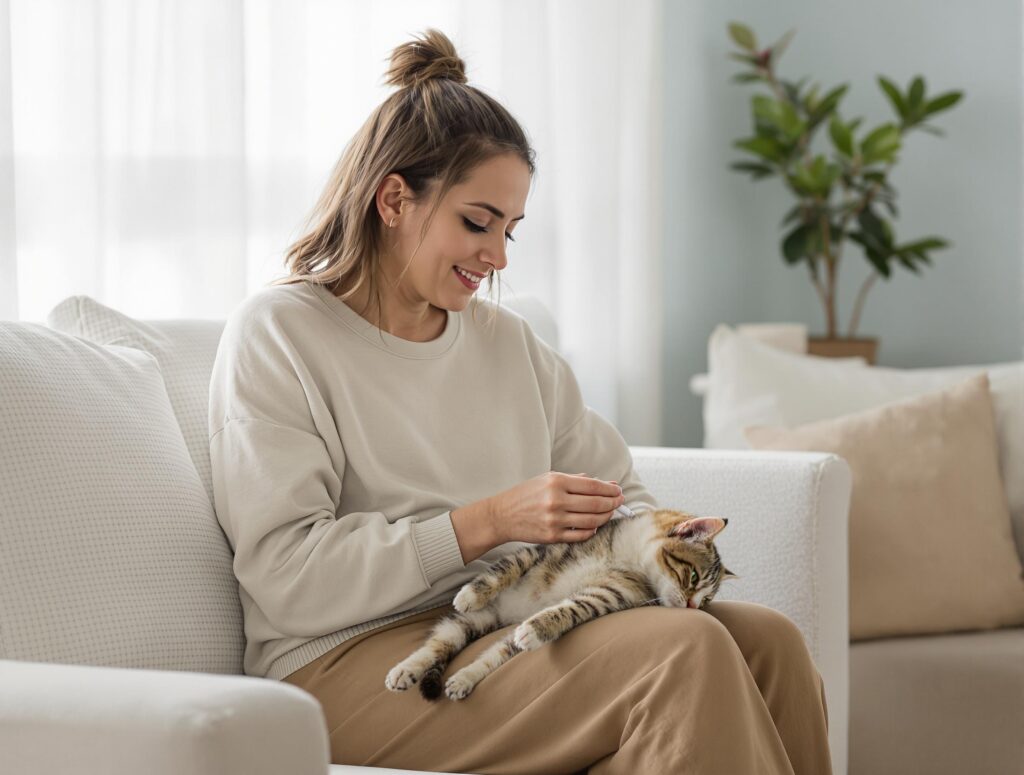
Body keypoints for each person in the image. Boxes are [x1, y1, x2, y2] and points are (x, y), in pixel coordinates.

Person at [207, 27, 833, 775]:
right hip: (344, 663)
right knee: (684, 653)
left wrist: (637, 542)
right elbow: (287, 573)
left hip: (504, 619)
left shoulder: (510, 345)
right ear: (394, 199)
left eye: (511, 228)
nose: (499, 255)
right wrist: (483, 524)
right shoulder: (281, 333)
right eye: (477, 222)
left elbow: (620, 494)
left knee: (771, 642)